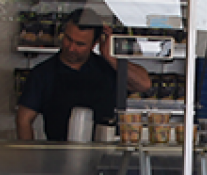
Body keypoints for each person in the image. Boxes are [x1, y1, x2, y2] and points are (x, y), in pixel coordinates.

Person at [16, 9, 151, 141]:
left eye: (80, 44)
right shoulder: (43, 73)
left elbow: (144, 84)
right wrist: (30, 153)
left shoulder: (107, 68)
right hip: (59, 151)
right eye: (68, 39)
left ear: (94, 44)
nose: (71, 48)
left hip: (104, 150)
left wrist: (111, 58)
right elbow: (24, 120)